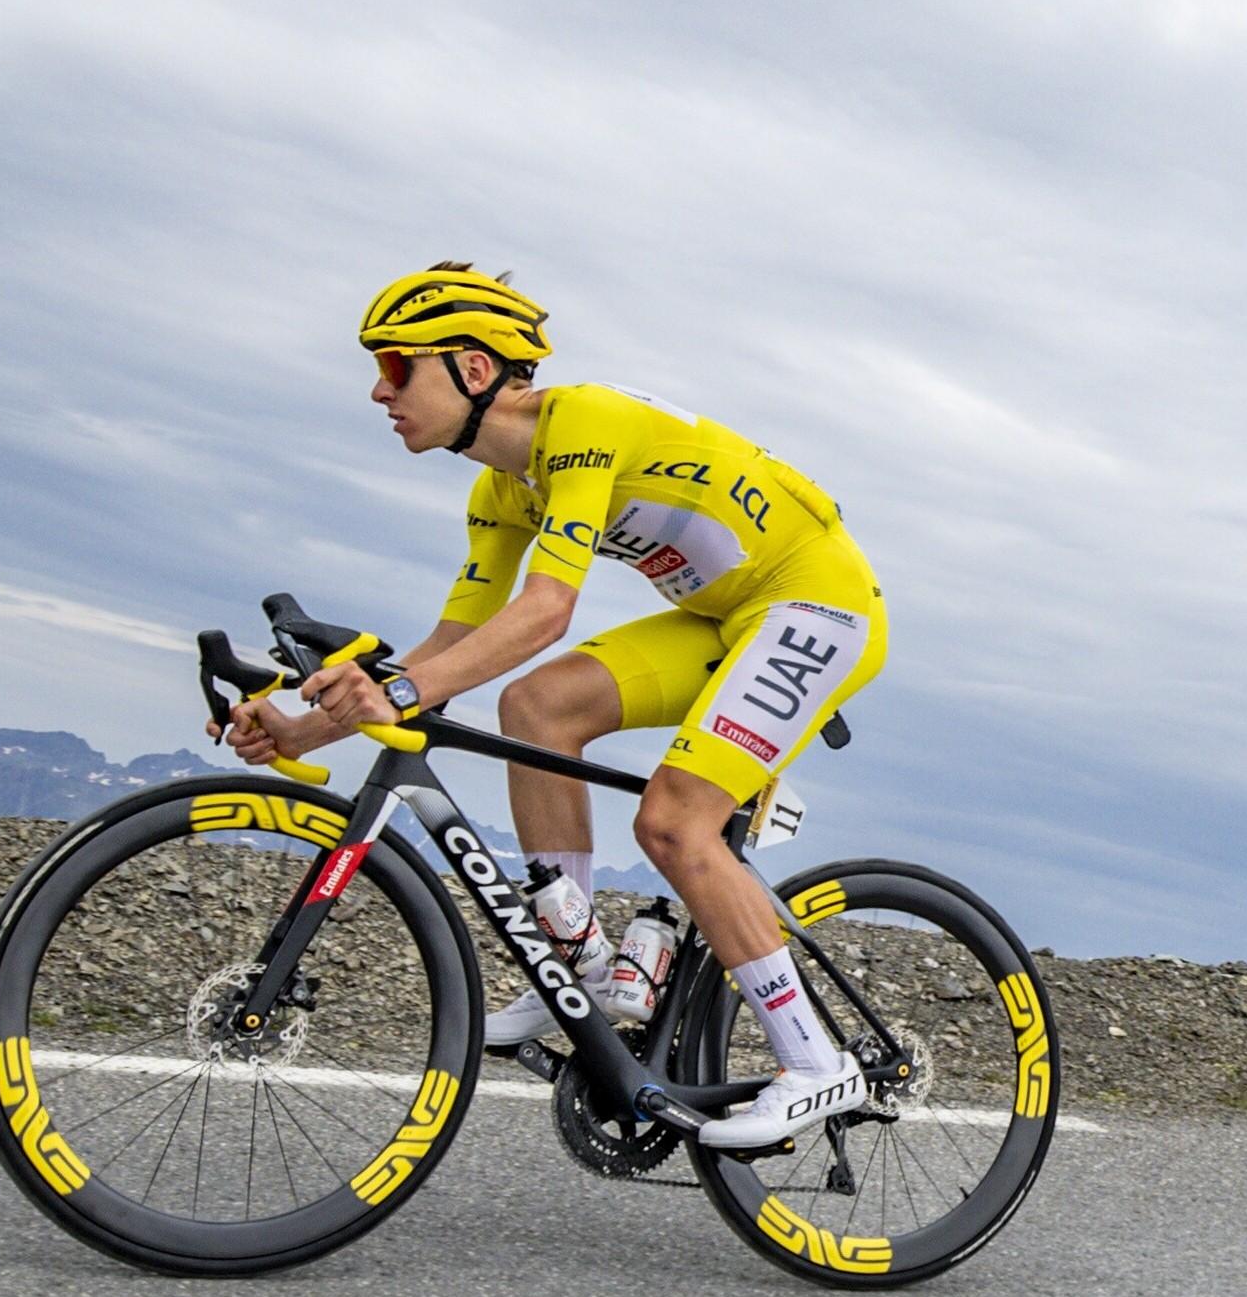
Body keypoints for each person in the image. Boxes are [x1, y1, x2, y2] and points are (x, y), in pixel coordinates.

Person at [214, 263, 887, 1149]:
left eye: (395, 364)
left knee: (676, 822)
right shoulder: (499, 489)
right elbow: (451, 645)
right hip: (725, 616)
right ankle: (582, 968)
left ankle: (817, 1063)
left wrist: (402, 690)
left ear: (473, 368)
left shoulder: (583, 424)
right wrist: (305, 727)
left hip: (819, 605)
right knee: (536, 705)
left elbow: (545, 609)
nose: (379, 390)